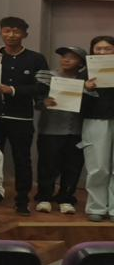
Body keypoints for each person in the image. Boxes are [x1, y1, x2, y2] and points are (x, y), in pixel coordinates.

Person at [0, 16, 49, 215]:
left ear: (25, 34)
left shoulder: (36, 58)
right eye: (7, 31)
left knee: (22, 159)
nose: (11, 35)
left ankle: (22, 200)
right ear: (0, 33)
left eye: (16, 31)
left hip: (21, 119)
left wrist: (13, 90)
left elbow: (42, 87)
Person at [34, 46, 90, 215]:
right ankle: (44, 197)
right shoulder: (47, 76)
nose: (66, 59)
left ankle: (66, 198)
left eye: (72, 57)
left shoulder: (87, 81)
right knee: (47, 165)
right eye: (64, 56)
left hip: (77, 130)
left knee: (72, 166)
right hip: (50, 129)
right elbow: (36, 101)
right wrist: (44, 102)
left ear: (81, 63)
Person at [82, 36, 114, 221]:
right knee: (97, 166)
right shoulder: (85, 72)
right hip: (95, 120)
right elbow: (74, 103)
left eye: (107, 49)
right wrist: (86, 88)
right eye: (98, 49)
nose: (102, 52)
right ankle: (96, 207)